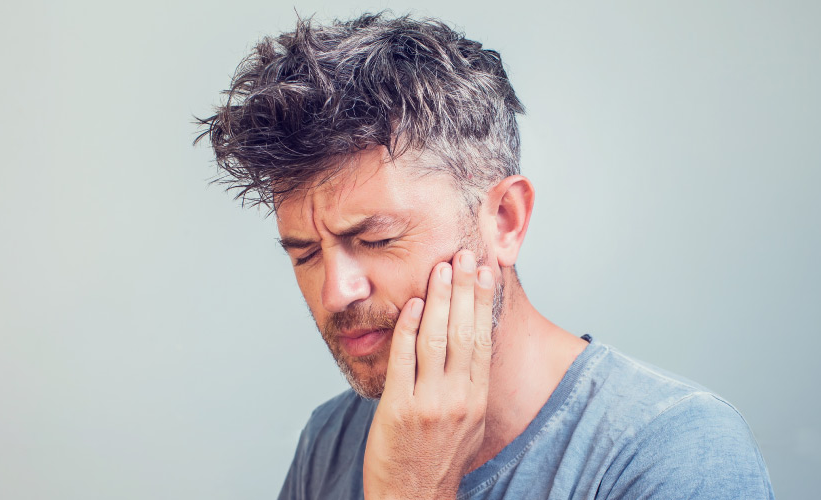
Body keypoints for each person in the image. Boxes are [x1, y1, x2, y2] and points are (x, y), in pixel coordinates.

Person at [197, 12, 774, 500]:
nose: (334, 291)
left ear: (504, 220)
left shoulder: (674, 452)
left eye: (375, 240)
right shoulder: (330, 438)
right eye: (304, 255)